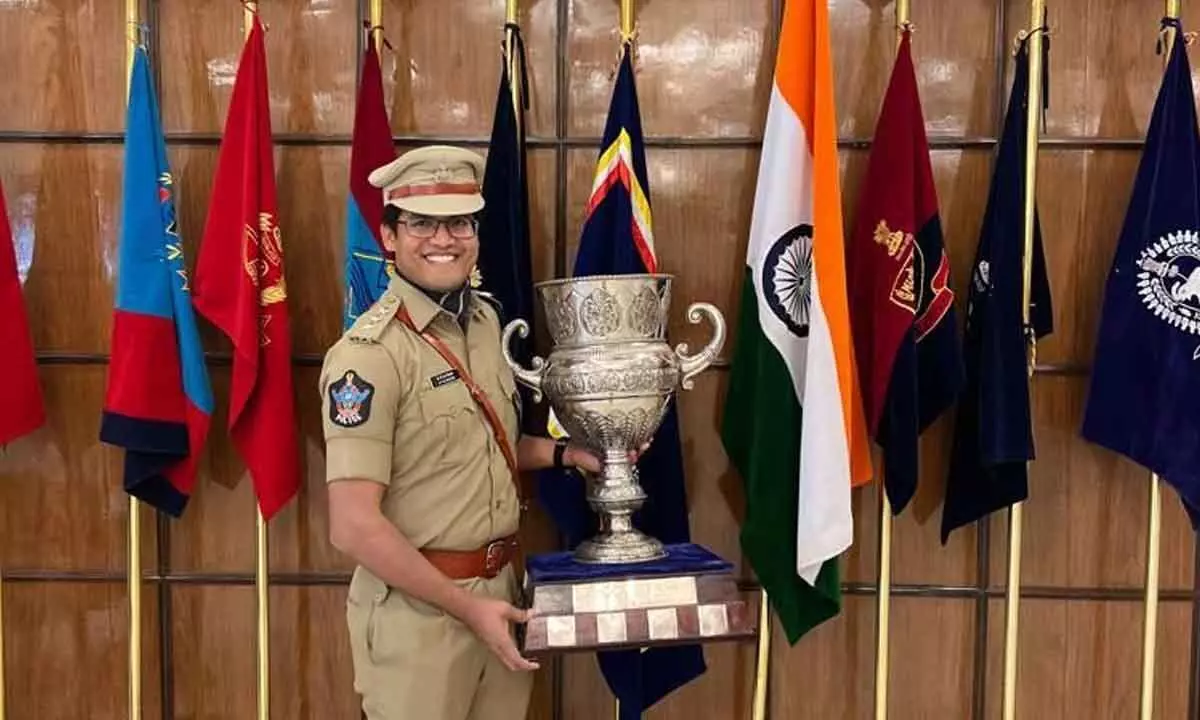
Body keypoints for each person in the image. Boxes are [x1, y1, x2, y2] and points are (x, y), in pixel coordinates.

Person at [319, 145, 603, 720]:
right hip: (419, 619)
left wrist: (572, 453)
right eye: (422, 222)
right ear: (390, 235)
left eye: (459, 222)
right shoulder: (369, 356)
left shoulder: (484, 322)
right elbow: (352, 524)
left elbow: (486, 446)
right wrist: (465, 609)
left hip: (501, 594)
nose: (443, 238)